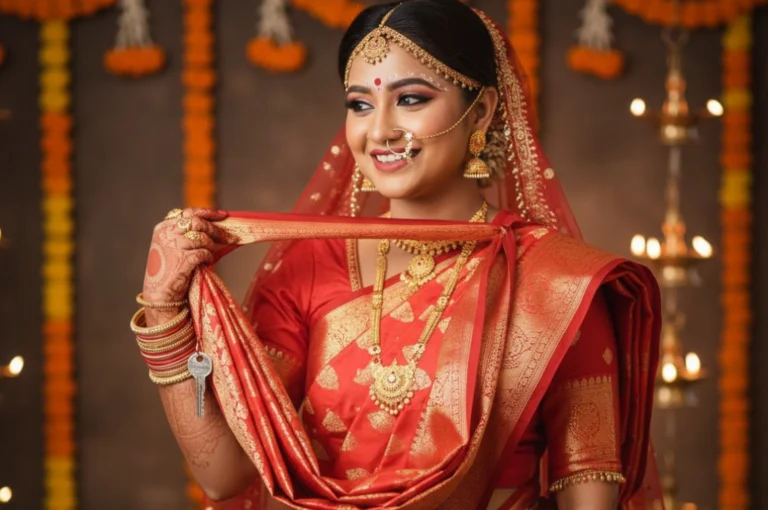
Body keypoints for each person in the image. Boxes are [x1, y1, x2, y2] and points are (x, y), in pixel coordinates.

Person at [131, 1, 663, 508]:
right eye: (361, 104)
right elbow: (222, 471)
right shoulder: (310, 269)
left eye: (410, 99)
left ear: (479, 112)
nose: (380, 130)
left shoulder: (555, 283)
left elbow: (587, 482)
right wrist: (164, 315)